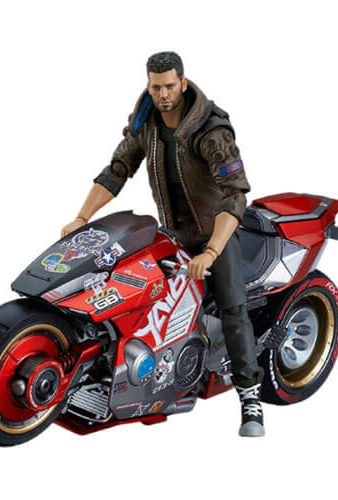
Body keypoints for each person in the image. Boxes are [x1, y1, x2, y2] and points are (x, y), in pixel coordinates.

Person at [60, 51, 265, 437]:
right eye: (156, 87)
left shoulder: (212, 129)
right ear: (149, 85)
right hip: (172, 233)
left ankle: (250, 398)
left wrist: (211, 251)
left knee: (233, 307)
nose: (163, 94)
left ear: (183, 83)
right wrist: (81, 218)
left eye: (170, 86)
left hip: (216, 234)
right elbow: (117, 170)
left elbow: (235, 194)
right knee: (131, 287)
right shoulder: (146, 124)